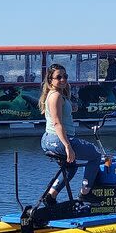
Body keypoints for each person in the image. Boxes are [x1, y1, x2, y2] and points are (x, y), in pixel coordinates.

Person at [39, 64, 102, 205]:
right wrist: (68, 146)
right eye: (58, 77)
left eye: (65, 76)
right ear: (50, 80)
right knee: (96, 156)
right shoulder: (55, 96)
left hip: (48, 139)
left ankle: (50, 197)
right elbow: (57, 123)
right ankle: (85, 193)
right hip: (59, 140)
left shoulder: (56, 95)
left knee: (71, 168)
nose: (63, 79)